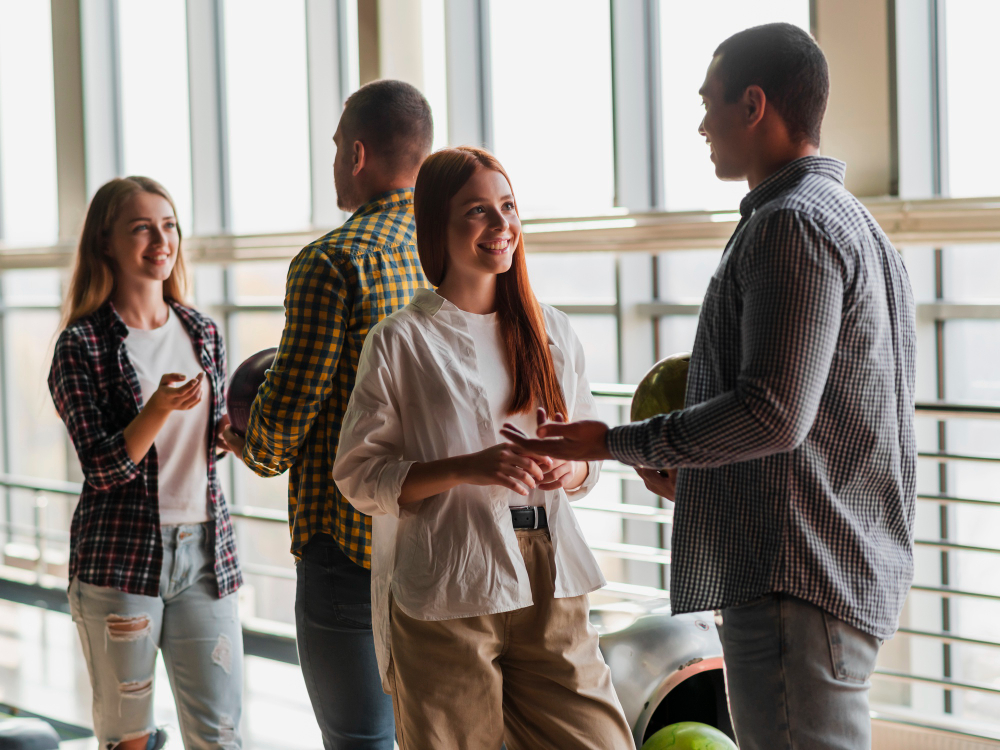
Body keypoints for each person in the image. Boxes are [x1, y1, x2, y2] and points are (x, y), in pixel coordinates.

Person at [501, 22, 916, 750]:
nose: (700, 125)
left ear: (753, 104)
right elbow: (816, 424)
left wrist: (614, 444)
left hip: (797, 577)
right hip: (824, 567)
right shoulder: (853, 223)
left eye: (709, 103)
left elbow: (774, 413)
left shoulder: (793, 225)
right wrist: (693, 468)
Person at [332, 146, 636, 750]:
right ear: (436, 227)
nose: (502, 228)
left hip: (550, 570)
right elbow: (360, 477)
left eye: (508, 207)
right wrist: (466, 468)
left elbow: (587, 463)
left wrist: (566, 468)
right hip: (449, 577)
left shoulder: (551, 329)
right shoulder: (400, 341)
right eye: (478, 212)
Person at [221, 80, 432, 749]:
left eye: (339, 146)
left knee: (360, 741)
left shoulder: (333, 261)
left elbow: (286, 416)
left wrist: (247, 443)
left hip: (350, 546)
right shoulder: (461, 251)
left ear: (358, 154)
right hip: (444, 543)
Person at [48, 176, 243, 750]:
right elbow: (103, 469)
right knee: (128, 739)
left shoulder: (202, 331)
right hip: (119, 560)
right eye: (142, 228)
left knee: (219, 734)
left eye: (169, 226)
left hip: (206, 554)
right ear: (106, 242)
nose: (161, 240)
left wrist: (234, 436)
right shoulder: (80, 345)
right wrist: (156, 408)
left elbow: (208, 448)